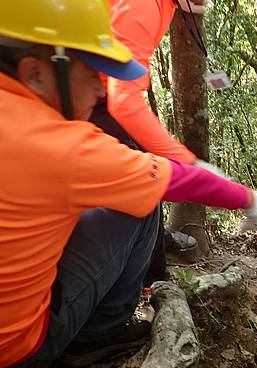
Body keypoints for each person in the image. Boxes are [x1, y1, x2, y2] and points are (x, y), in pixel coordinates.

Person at [0, 0, 257, 368]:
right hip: (16, 346)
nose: (100, 91)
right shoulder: (63, 146)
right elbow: (174, 181)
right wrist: (248, 198)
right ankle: (98, 336)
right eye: (93, 74)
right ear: (36, 73)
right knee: (141, 207)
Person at [89, 0, 212, 284]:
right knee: (147, 178)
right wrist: (189, 162)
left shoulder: (166, 5)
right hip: (90, 94)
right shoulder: (144, 7)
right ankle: (153, 283)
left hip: (96, 88)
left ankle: (156, 245)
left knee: (147, 169)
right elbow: (124, 102)